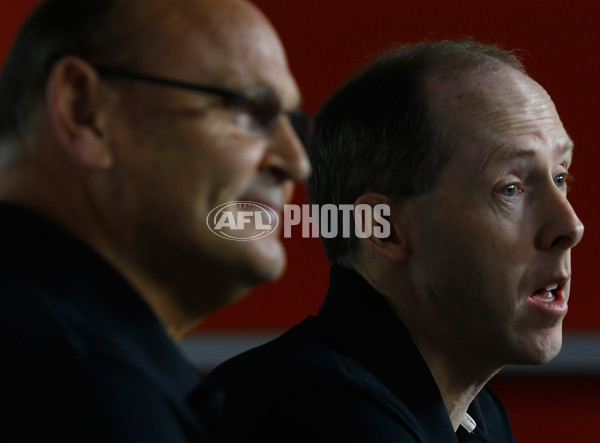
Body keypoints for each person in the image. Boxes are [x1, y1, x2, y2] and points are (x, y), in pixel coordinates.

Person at [203, 40, 584, 442]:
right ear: (384, 230)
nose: (570, 226)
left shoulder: (479, 414)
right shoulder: (323, 419)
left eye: (560, 177)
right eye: (510, 188)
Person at [0, 0, 310, 441]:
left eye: (292, 123)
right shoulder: (82, 386)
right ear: (85, 111)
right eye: (251, 109)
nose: (297, 163)